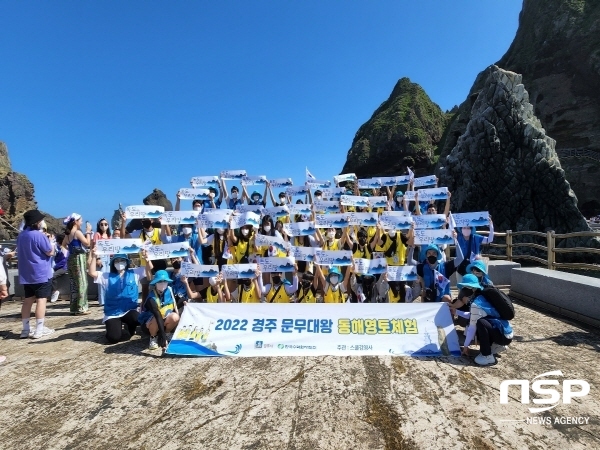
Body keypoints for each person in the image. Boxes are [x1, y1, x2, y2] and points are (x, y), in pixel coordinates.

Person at [451, 274, 513, 366]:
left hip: (503, 335)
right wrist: (457, 312)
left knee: (480, 323)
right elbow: (473, 315)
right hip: (505, 331)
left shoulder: (476, 304)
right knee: (481, 322)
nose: (464, 302)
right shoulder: (481, 298)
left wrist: (465, 346)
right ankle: (497, 345)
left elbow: (472, 327)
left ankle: (487, 356)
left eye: (463, 300)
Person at [89, 251, 149, 344]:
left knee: (138, 318)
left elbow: (149, 269)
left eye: (122, 260)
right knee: (113, 338)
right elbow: (92, 272)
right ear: (113, 263)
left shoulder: (134, 273)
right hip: (113, 312)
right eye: (117, 261)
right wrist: (93, 256)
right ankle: (113, 327)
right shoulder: (106, 276)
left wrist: (146, 258)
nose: (119, 262)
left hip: (130, 310)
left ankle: (130, 326)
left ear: (126, 262)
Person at [17, 210, 55, 339]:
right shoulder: (38, 236)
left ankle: (25, 329)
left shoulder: (21, 236)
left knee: (28, 300)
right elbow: (49, 252)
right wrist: (52, 242)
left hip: (26, 274)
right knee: (41, 300)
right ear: (37, 222)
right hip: (41, 273)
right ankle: (39, 329)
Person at [138, 270, 180, 351]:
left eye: (165, 281)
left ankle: (167, 333)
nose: (163, 283)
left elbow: (175, 303)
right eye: (160, 281)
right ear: (155, 283)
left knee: (175, 317)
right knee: (155, 319)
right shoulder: (151, 298)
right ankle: (153, 337)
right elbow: (157, 315)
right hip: (151, 322)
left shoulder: (170, 290)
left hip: (165, 319)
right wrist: (163, 338)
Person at [62, 213, 92, 315]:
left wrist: (72, 250)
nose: (82, 222)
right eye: (80, 220)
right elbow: (87, 243)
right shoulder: (77, 232)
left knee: (74, 283)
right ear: (76, 221)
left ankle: (74, 307)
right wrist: (88, 232)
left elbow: (63, 245)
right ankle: (82, 307)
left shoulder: (68, 233)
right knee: (82, 282)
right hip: (79, 258)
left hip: (71, 258)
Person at [93, 218, 112, 306]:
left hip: (108, 257)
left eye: (105, 224)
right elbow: (95, 247)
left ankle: (108, 298)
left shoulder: (109, 235)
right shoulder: (97, 234)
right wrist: (98, 258)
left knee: (108, 278)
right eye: (101, 224)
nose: (103, 226)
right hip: (101, 257)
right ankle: (102, 300)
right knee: (101, 278)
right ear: (99, 226)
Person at [50, 237, 69, 303]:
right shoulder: (57, 248)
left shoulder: (64, 249)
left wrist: (55, 266)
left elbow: (64, 261)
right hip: (58, 267)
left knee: (52, 276)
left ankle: (55, 291)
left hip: (64, 268)